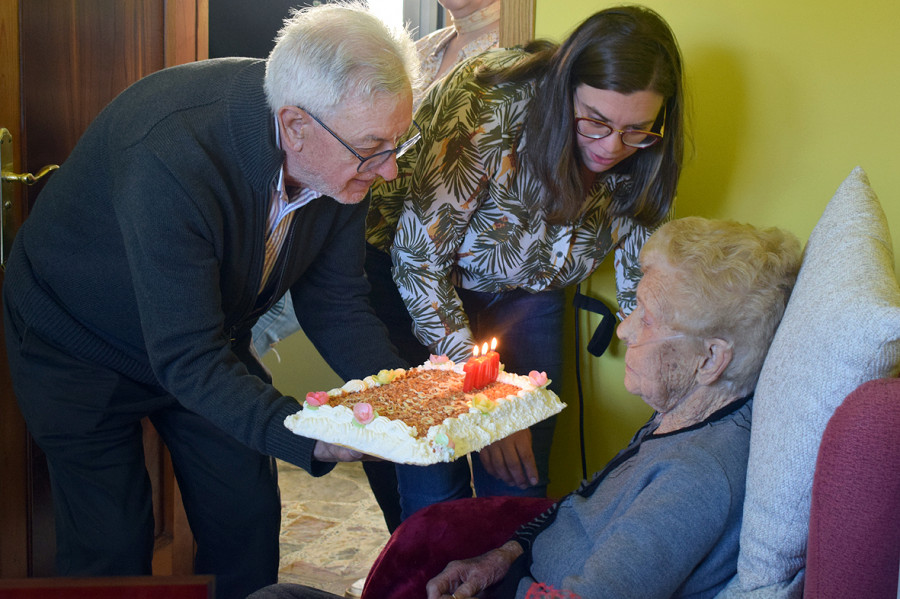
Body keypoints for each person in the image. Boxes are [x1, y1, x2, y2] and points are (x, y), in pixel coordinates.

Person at [1, 3, 420, 599]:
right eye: (373, 147)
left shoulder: (340, 159)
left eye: (397, 142)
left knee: (244, 517)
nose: (389, 169)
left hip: (199, 338)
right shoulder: (174, 149)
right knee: (111, 544)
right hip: (75, 342)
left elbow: (338, 304)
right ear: (296, 126)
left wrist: (403, 397)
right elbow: (186, 356)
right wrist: (310, 436)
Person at [244, 216, 803, 598]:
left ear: (712, 359)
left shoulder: (694, 480)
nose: (625, 329)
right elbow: (583, 513)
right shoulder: (685, 418)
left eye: (649, 318)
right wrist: (500, 558)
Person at [363, 4, 687, 522]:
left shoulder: (647, 149)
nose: (612, 147)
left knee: (522, 472)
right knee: (435, 475)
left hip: (530, 291)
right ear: (564, 90)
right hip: (416, 281)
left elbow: (638, 275)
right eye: (596, 123)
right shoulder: (490, 102)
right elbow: (419, 258)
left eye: (636, 130)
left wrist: (671, 385)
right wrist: (489, 402)